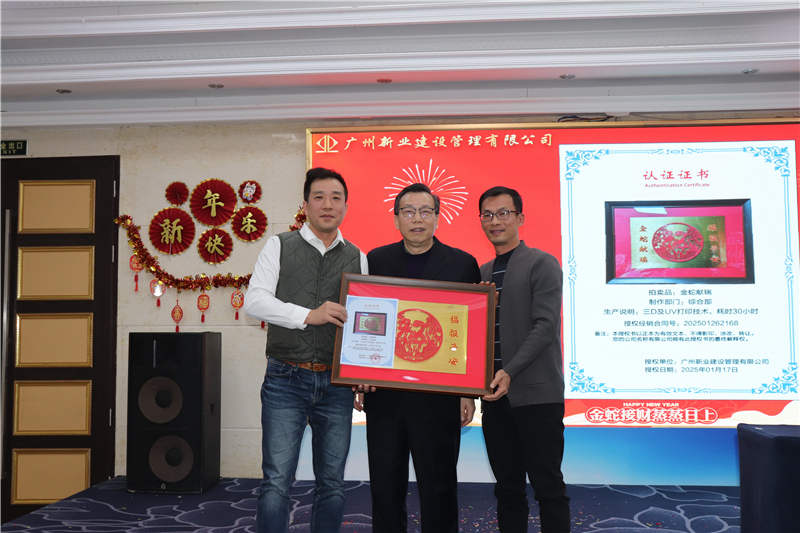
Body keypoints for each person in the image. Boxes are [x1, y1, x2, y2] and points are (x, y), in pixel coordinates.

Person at [243, 167, 368, 533]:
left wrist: (362, 373)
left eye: (336, 198)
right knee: (276, 481)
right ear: (305, 204)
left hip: (337, 386)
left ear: (346, 206)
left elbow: (362, 324)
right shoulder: (279, 245)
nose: (327, 205)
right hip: (285, 378)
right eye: (319, 197)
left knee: (333, 484)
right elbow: (254, 302)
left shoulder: (358, 257)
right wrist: (308, 316)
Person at [357, 183, 481, 533]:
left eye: (426, 212)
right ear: (396, 219)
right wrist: (359, 376)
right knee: (385, 488)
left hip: (438, 399)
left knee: (439, 489)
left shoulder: (462, 263)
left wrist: (467, 392)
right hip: (386, 396)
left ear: (437, 218)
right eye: (408, 212)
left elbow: (471, 331)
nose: (417, 219)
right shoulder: (375, 260)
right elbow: (364, 320)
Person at [478, 186, 571, 533]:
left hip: (537, 396)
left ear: (520, 218)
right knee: (507, 489)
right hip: (495, 398)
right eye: (488, 215)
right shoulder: (483, 272)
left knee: (548, 488)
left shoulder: (542, 263)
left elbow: (545, 327)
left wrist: (509, 371)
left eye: (503, 213)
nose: (495, 221)